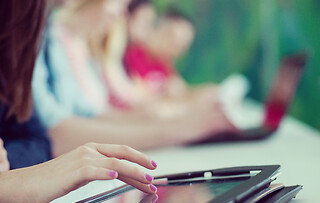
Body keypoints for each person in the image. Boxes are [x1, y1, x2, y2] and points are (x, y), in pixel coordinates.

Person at [0, 0, 157, 203]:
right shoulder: (42, 30)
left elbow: (39, 139)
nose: (122, 12)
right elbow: (55, 132)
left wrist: (10, 166)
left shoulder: (28, 26)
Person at [32, 0, 236, 157]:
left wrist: (174, 121)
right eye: (120, 3)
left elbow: (96, 113)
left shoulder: (74, 45)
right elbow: (56, 131)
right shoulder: (49, 35)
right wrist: (176, 127)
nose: (123, 13)